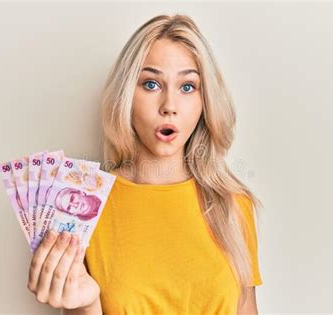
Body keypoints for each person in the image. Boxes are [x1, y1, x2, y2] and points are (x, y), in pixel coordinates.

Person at [27, 14, 264, 315]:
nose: (169, 106)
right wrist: (86, 304)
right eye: (151, 84)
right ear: (126, 94)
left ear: (206, 101)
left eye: (188, 87)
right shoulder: (83, 205)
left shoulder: (234, 206)